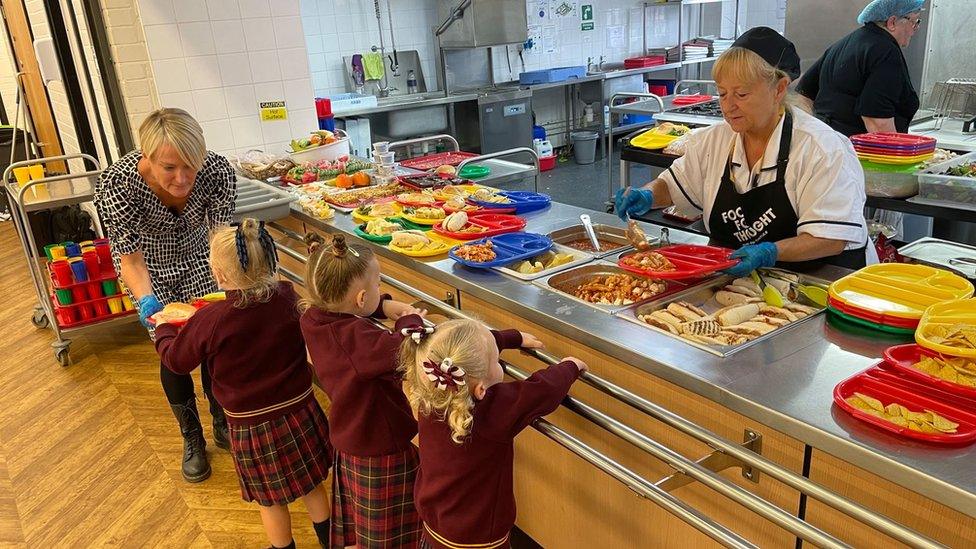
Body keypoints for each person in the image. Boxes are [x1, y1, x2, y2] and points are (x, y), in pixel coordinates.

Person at [616, 27, 873, 275]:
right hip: (744, 281)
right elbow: (673, 185)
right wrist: (647, 195)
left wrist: (770, 252)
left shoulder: (822, 148)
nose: (728, 106)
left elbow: (830, 239)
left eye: (741, 94)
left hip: (827, 283)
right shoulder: (715, 141)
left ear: (779, 88)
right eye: (722, 93)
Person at [154, 220, 332, 549]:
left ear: (220, 275)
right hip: (301, 410)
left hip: (253, 427)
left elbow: (177, 361)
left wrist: (163, 328)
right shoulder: (286, 296)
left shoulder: (210, 319)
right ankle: (332, 540)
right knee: (312, 483)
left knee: (271, 500)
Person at [93, 108, 237, 482]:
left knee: (214, 341)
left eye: (191, 165)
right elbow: (130, 258)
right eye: (170, 167)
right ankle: (191, 436)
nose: (182, 178)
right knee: (172, 350)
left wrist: (231, 285)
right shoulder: (117, 184)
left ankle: (222, 420)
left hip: (201, 259)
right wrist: (147, 303)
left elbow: (220, 237)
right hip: (148, 267)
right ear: (148, 157)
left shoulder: (218, 172)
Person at [401, 318, 587, 549]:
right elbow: (542, 391)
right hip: (479, 541)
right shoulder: (492, 410)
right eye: (497, 362)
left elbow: (468, 352)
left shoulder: (432, 396)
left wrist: (511, 338)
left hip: (434, 531)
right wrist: (570, 366)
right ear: (481, 389)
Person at [300, 233, 428, 548]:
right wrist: (409, 317)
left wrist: (384, 306)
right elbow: (405, 346)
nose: (380, 289)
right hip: (382, 452)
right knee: (391, 534)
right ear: (359, 299)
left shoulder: (313, 318)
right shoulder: (360, 344)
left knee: (364, 528)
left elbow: (354, 312)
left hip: (352, 444)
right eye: (378, 284)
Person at [796, 0, 924, 136]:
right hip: (856, 152)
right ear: (892, 22)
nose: (915, 29)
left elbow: (804, 93)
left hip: (829, 147)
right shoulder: (886, 52)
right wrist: (898, 154)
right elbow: (877, 121)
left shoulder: (846, 43)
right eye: (914, 22)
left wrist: (816, 135)